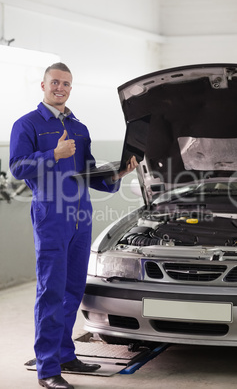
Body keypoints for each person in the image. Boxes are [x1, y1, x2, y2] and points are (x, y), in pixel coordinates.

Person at [9, 62, 138, 389]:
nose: (60, 88)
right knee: (51, 291)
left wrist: (117, 174)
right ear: (43, 85)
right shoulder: (27, 125)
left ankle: (65, 353)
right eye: (55, 82)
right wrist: (53, 153)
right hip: (51, 216)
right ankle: (48, 369)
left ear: (70, 87)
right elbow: (17, 168)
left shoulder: (79, 128)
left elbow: (90, 172)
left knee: (72, 289)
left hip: (81, 216)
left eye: (66, 83)